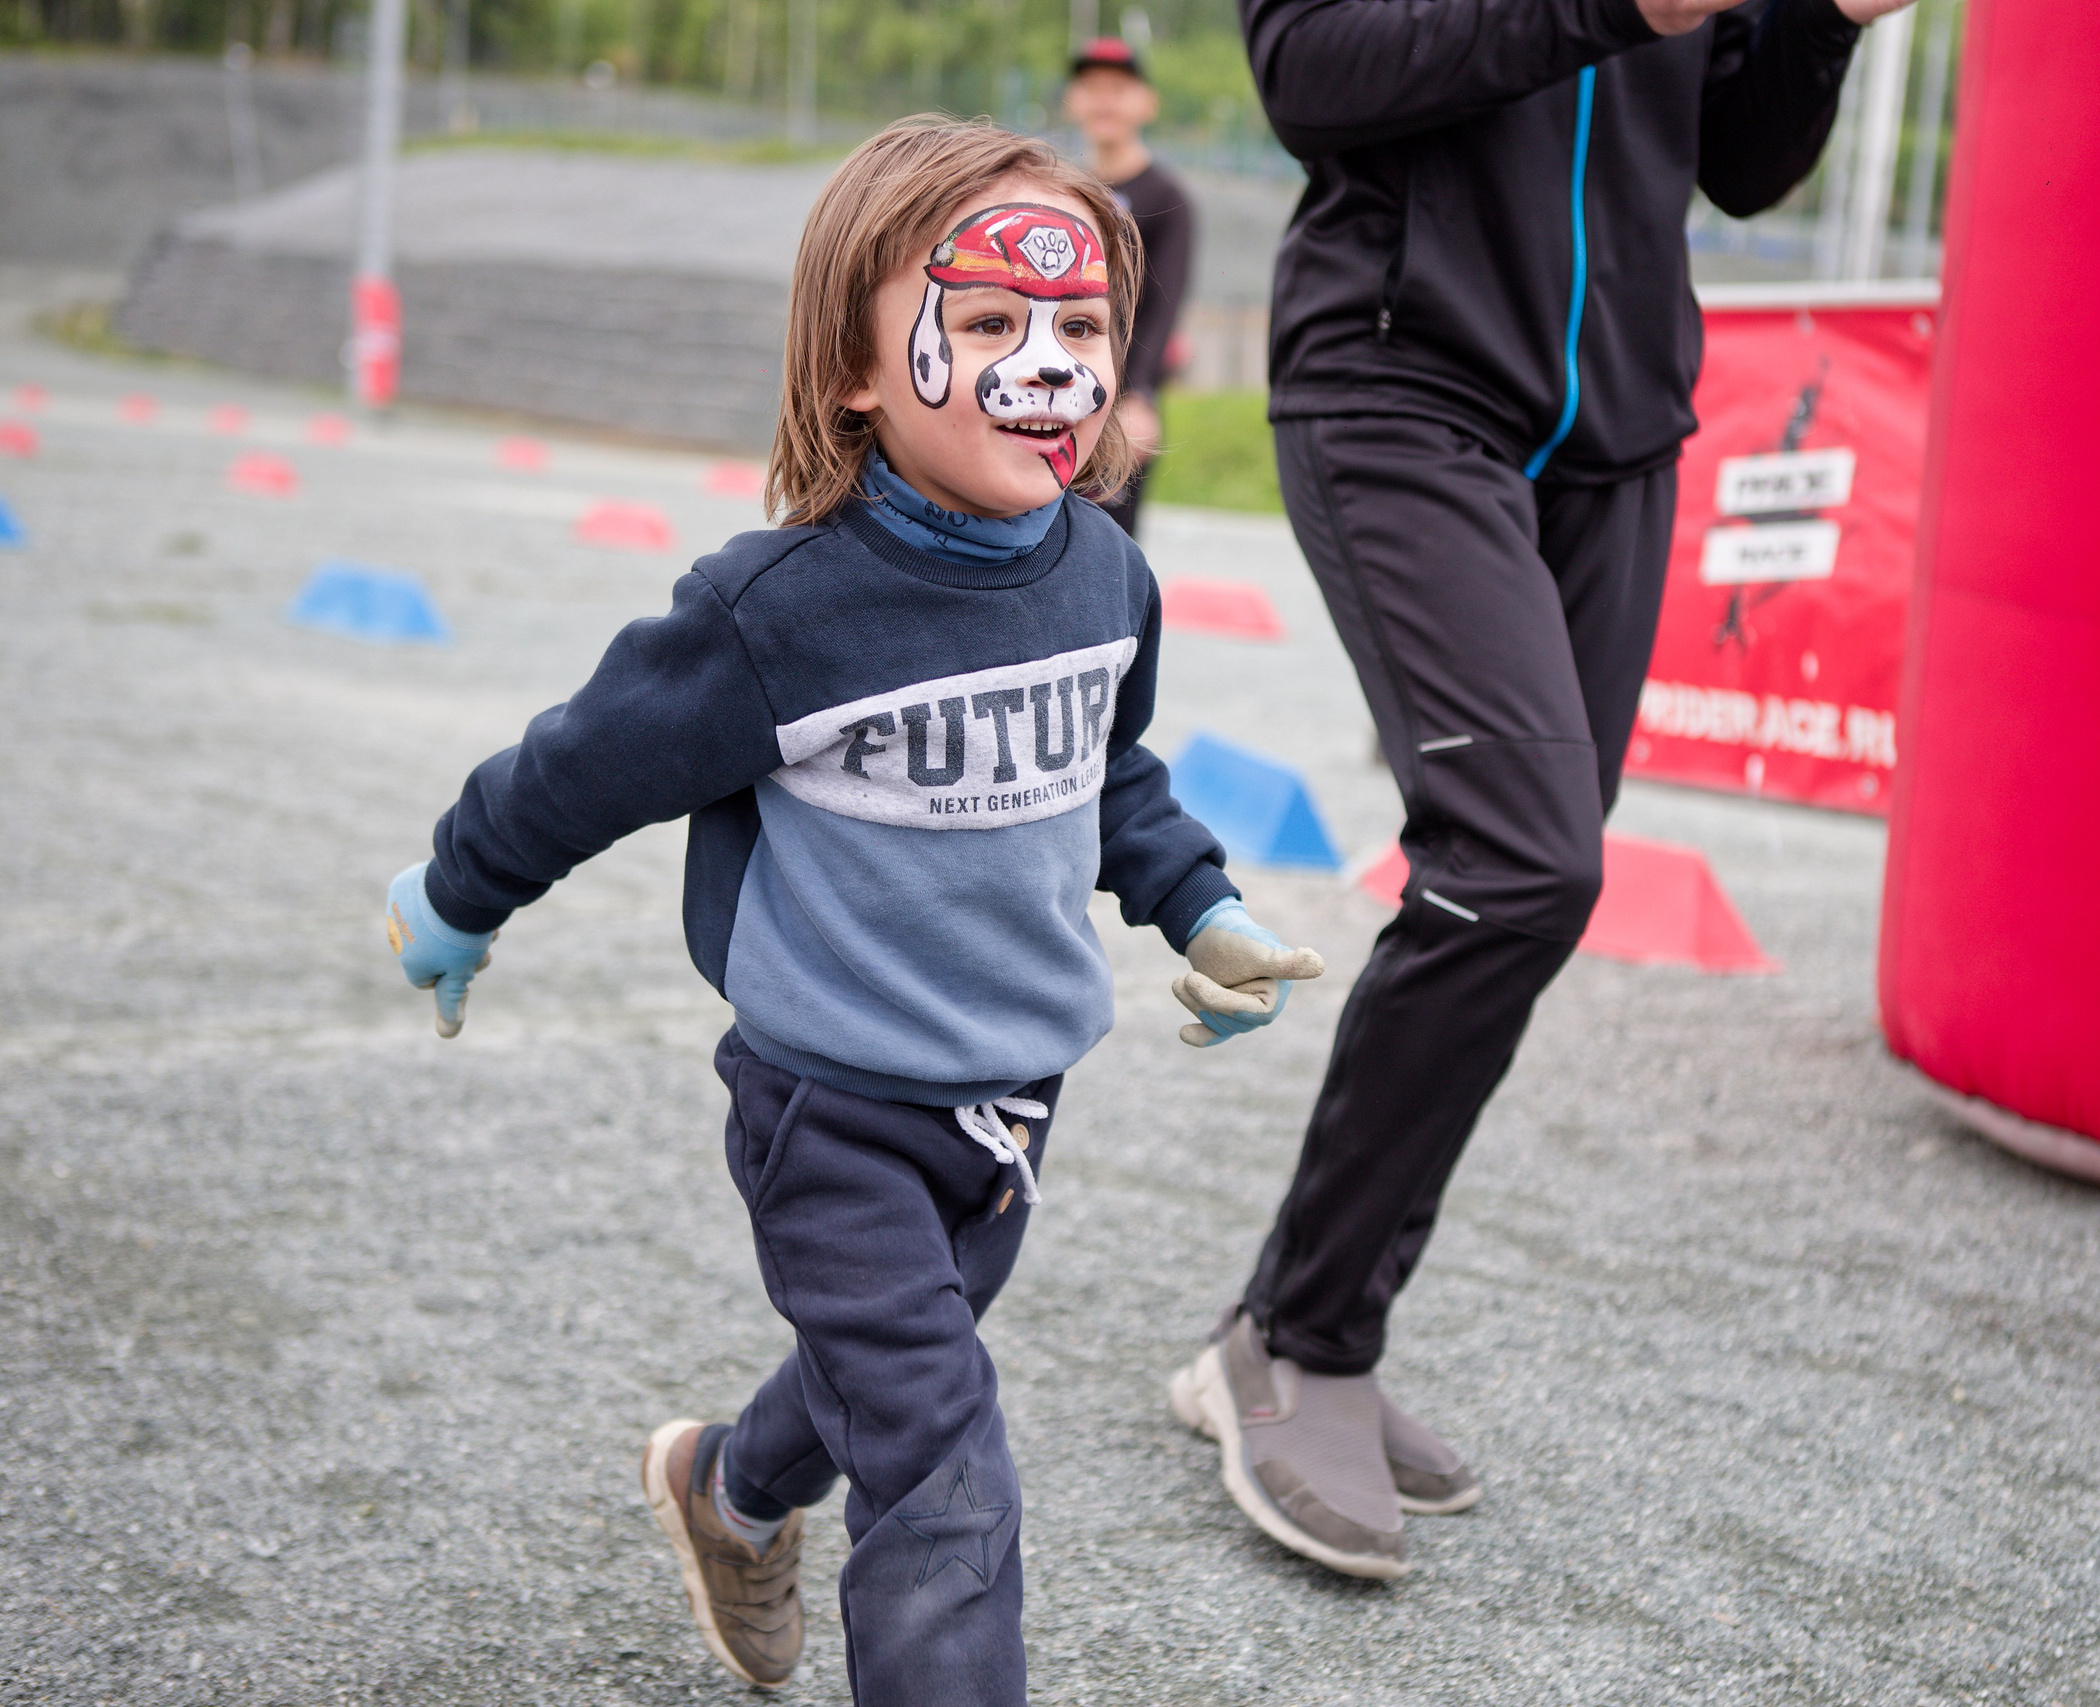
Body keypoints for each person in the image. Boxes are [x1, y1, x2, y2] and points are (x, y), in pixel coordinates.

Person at [377, 120, 1325, 1699]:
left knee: (886, 1372)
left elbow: (1112, 774)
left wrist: (1199, 904)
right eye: (988, 321)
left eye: (1081, 326)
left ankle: (728, 1489)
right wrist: (454, 892)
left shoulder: (1107, 574)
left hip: (1018, 1098)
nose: (1049, 365)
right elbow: (579, 765)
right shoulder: (779, 614)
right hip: (829, 1113)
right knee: (944, 1463)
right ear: (855, 377)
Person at [1163, 0, 1915, 1580]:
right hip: (1400, 385)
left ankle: (1295, 1312)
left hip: (1622, 434)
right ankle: (1306, 1335)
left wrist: (1829, 28)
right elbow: (1310, 75)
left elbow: (1745, 168)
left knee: (1521, 882)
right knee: (1517, 865)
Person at [1063, 36, 1194, 540]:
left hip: (1120, 401)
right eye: (1091, 87)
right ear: (1072, 100)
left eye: (1118, 88)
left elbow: (1164, 306)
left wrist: (1140, 396)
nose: (1103, 100)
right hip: (1057, 388)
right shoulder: (1062, 188)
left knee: (1107, 542)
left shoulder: (1167, 197)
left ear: (1147, 103)